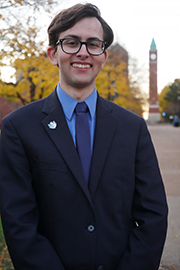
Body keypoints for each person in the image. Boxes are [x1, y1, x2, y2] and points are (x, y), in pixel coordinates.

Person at [0, 3, 168, 270]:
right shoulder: (18, 128)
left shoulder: (133, 128)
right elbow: (18, 221)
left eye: (93, 44)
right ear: (53, 54)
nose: (83, 52)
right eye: (71, 42)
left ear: (103, 56)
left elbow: (153, 215)